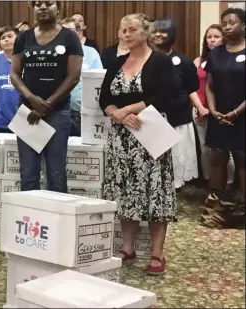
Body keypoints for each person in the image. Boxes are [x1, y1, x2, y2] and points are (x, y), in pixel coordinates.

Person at [99, 13, 178, 275]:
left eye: (131, 29)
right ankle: (128, 247)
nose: (125, 34)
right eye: (122, 30)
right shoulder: (116, 62)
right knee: (125, 191)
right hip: (121, 138)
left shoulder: (161, 62)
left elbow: (165, 95)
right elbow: (105, 98)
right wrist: (116, 113)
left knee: (155, 191)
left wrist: (130, 110)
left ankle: (157, 253)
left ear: (145, 32)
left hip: (151, 132)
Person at [10, 1, 83, 192]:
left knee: (56, 175)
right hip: (27, 112)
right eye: (37, 3)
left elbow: (73, 76)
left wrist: (47, 104)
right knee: (28, 175)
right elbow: (15, 75)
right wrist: (32, 99)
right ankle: (30, 221)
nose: (42, 7)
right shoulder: (23, 38)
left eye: (48, 3)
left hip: (58, 112)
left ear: (58, 8)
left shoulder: (69, 37)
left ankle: (59, 222)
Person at [201, 8, 246, 228]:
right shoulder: (216, 52)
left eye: (232, 23)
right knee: (217, 161)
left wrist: (237, 112)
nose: (227, 26)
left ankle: (241, 212)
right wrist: (213, 109)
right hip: (218, 116)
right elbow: (209, 85)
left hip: (243, 116)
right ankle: (214, 210)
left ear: (243, 26)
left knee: (243, 163)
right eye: (224, 23)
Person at [152, 18, 199, 189]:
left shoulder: (182, 60)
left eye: (163, 31)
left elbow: (192, 86)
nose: (158, 34)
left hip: (177, 116)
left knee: (177, 155)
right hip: (152, 116)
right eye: (155, 30)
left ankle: (175, 186)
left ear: (171, 34)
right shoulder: (146, 57)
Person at [193, 25, 235, 188]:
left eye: (216, 36)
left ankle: (229, 183)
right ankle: (210, 182)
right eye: (209, 37)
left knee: (225, 149)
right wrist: (198, 106)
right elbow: (192, 86)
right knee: (206, 149)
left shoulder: (228, 59)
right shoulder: (199, 61)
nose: (212, 40)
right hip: (200, 109)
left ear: (223, 38)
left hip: (222, 110)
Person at [60, 18, 103, 136]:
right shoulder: (54, 54)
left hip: (83, 112)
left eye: (70, 31)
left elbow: (98, 82)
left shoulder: (91, 52)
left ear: (79, 32)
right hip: (59, 111)